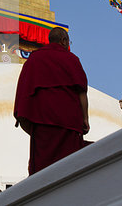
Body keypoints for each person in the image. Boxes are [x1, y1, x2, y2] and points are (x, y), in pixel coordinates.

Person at [14, 27, 90, 175]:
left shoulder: (34, 59)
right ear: (63, 41)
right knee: (71, 168)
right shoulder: (71, 59)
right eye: (69, 42)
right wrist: (85, 119)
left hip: (42, 126)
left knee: (44, 172)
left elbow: (24, 93)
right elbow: (82, 91)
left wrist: (27, 123)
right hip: (69, 124)